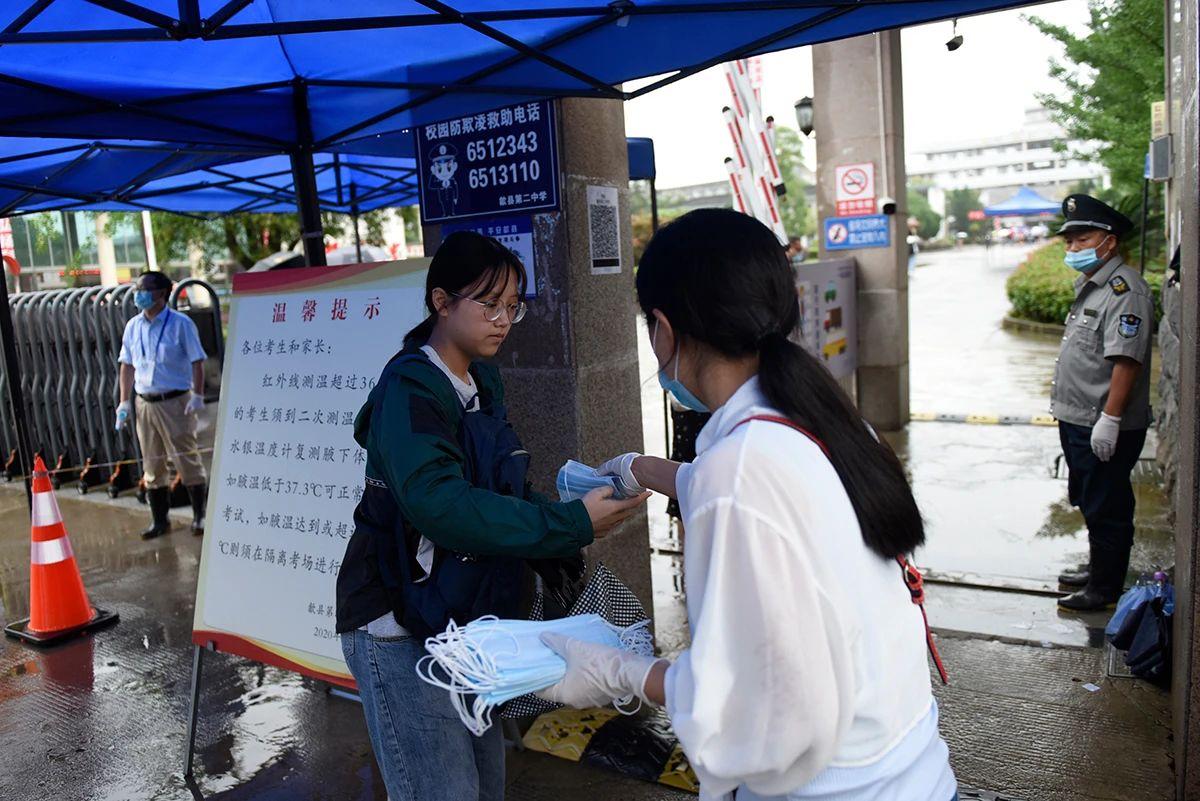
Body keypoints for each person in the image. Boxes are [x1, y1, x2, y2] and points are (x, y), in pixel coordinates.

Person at [538, 208, 957, 801]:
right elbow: (764, 496)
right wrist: (640, 468)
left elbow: (750, 710)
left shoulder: (737, 474)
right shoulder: (824, 421)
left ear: (662, 326)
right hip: (915, 770)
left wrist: (617, 672)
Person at [334, 231, 647, 801]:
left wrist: (573, 512)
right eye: (489, 304)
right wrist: (570, 525)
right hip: (397, 624)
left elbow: (505, 489)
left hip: (460, 618)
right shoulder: (409, 390)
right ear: (441, 302)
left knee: (483, 786)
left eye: (513, 306)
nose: (503, 319)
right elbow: (442, 505)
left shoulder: (482, 382)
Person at [1049, 194, 1153, 611]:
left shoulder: (1124, 291)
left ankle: (1104, 590)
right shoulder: (1092, 287)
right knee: (1090, 499)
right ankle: (1099, 569)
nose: (1073, 247)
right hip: (1078, 418)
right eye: (1069, 241)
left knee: (1108, 506)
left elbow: (1125, 360)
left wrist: (1110, 418)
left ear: (1109, 241)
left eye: (1081, 238)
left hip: (1101, 422)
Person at [116, 271, 208, 539]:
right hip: (145, 402)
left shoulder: (181, 324)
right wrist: (124, 401)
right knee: (152, 462)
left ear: (162, 293)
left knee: (186, 458)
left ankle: (199, 516)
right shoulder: (133, 326)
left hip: (175, 401)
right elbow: (126, 365)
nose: (139, 294)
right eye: (137, 289)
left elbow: (197, 361)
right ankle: (160, 520)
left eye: (144, 289)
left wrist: (198, 395)